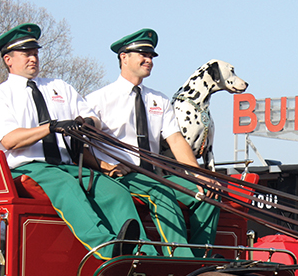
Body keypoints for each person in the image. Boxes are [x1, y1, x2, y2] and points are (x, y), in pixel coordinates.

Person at [0, 23, 156, 259]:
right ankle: (107, 250)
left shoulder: (59, 86)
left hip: (70, 165)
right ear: (8, 60)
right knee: (67, 187)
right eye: (26, 54)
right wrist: (50, 127)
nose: (33, 59)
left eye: (35, 53)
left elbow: (93, 119)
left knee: (113, 191)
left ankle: (143, 252)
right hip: (30, 167)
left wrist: (83, 123)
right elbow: (9, 140)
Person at [86, 28, 220, 258]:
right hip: (120, 177)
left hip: (154, 176)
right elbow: (82, 147)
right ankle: (181, 262)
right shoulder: (97, 100)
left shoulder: (159, 99)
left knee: (210, 192)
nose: (149, 60)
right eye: (142, 54)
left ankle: (201, 263)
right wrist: (104, 167)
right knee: (161, 192)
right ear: (123, 57)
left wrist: (198, 175)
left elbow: (176, 141)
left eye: (151, 56)